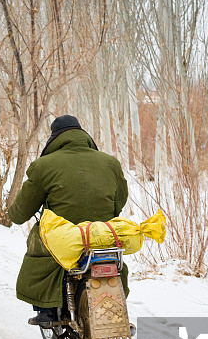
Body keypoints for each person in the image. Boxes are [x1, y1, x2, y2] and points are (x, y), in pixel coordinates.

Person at [7, 115, 129, 327]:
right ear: (83, 135)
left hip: (65, 235)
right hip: (100, 232)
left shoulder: (43, 166)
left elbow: (21, 211)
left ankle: (48, 311)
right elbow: (119, 201)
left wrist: (14, 214)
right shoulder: (110, 163)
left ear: (53, 139)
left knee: (42, 253)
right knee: (114, 261)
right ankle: (113, 307)